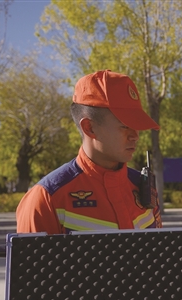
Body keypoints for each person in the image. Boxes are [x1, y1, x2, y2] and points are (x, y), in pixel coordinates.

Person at [16, 70, 162, 234]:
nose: (135, 136)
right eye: (125, 126)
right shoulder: (46, 198)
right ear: (89, 127)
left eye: (136, 125)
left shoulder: (143, 187)